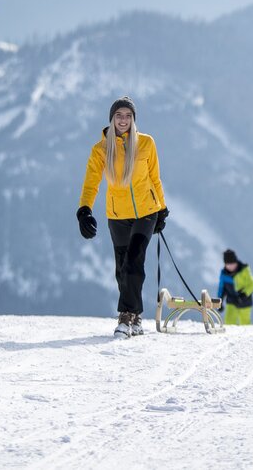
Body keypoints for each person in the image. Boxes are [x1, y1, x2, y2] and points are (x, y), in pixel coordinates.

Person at [76, 96, 169, 339]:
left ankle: (126, 316)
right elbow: (91, 183)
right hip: (117, 215)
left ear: (134, 119)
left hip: (146, 213)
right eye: (119, 115)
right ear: (112, 118)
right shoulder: (100, 150)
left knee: (133, 262)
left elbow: (155, 178)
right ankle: (136, 318)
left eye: (128, 116)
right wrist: (84, 209)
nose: (124, 120)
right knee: (121, 269)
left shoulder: (146, 143)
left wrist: (162, 209)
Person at [216, 249, 253, 325]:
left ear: (236, 262)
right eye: (228, 264)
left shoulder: (244, 270)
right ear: (225, 264)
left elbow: (252, 284)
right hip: (231, 301)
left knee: (245, 323)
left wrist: (244, 294)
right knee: (229, 322)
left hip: (245, 301)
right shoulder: (224, 274)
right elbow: (221, 289)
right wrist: (219, 302)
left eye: (232, 263)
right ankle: (229, 336)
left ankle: (247, 336)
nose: (230, 266)